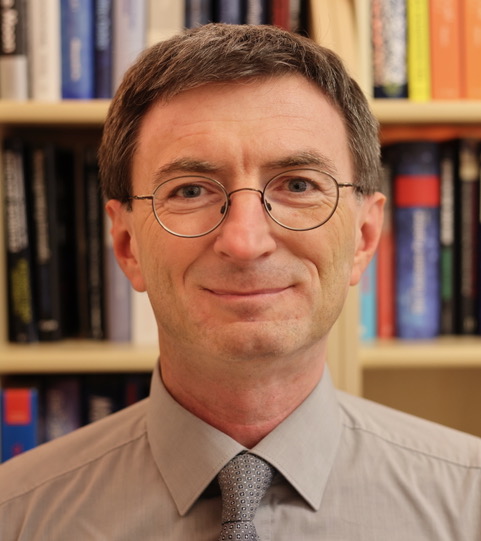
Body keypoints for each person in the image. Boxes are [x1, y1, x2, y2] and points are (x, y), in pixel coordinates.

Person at [1, 23, 480, 541]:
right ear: (126, 245)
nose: (245, 241)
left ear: (364, 237)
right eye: (190, 190)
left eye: (298, 184)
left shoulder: (470, 505)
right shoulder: (16, 516)